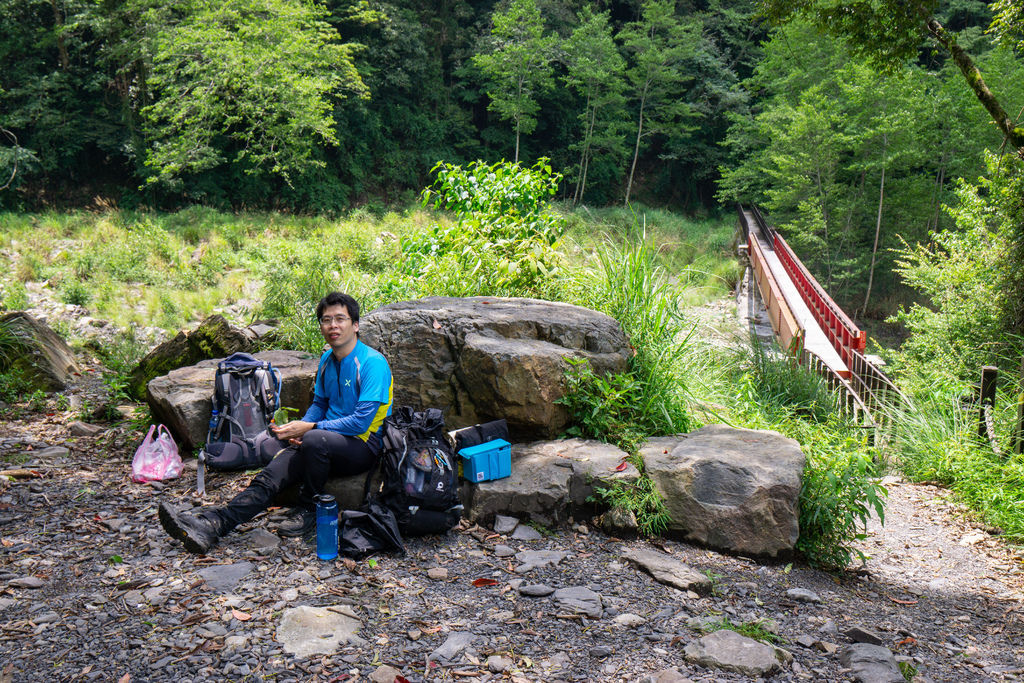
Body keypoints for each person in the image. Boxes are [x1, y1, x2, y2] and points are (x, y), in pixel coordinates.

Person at [158, 292, 393, 554]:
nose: (333, 326)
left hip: (362, 445)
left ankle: (309, 508)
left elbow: (361, 423)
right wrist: (299, 427)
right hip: (325, 441)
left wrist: (311, 429)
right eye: (326, 320)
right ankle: (215, 524)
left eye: (340, 319)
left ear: (355, 325)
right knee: (271, 470)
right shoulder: (328, 360)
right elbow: (320, 405)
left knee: (314, 440)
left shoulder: (373, 364)